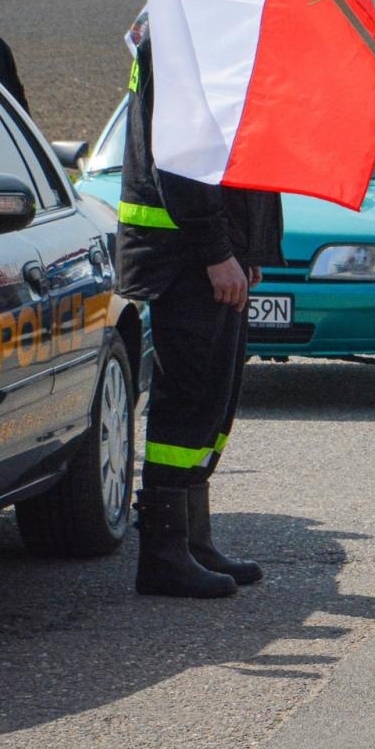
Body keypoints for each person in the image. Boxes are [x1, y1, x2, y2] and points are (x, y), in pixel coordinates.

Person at [118, 32, 283, 599]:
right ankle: (164, 555)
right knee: (186, 405)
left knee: (212, 403)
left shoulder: (200, 33)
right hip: (184, 260)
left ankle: (191, 540)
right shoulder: (180, 41)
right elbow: (185, 163)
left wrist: (246, 247)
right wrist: (217, 252)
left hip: (206, 254)